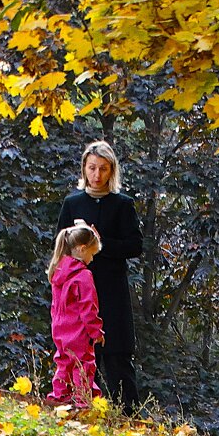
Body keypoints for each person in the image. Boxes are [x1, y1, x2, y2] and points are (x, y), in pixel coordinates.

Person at [57, 140, 143, 413]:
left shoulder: (123, 204)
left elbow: (135, 246)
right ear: (84, 168)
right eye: (92, 168)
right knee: (76, 354)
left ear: (112, 171)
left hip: (112, 290)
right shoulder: (72, 203)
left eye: (103, 169)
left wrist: (100, 243)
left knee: (118, 356)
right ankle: (76, 410)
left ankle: (128, 417)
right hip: (77, 291)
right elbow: (60, 247)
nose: (97, 174)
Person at [46, 224, 104, 407]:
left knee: (64, 361)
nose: (92, 259)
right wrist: (96, 332)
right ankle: (82, 401)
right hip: (78, 331)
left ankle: (59, 397)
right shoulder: (83, 275)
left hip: (60, 329)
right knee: (83, 364)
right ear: (82, 249)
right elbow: (88, 308)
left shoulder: (58, 272)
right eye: (92, 254)